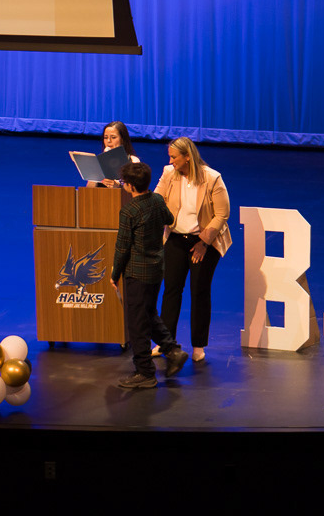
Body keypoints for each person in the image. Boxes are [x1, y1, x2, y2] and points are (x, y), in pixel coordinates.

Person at [110, 161, 188, 388]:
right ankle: (173, 350)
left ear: (131, 186)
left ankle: (145, 372)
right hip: (155, 270)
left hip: (137, 273)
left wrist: (115, 274)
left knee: (137, 323)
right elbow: (169, 219)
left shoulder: (129, 211)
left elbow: (122, 247)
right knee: (149, 313)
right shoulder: (156, 200)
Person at [155, 137, 232, 363]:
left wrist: (204, 242)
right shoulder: (169, 173)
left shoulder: (212, 178)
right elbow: (157, 199)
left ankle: (198, 346)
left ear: (187, 156)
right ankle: (166, 343)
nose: (171, 161)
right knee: (171, 290)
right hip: (176, 239)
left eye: (174, 157)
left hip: (204, 241)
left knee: (199, 291)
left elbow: (222, 214)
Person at [90, 120, 141, 188]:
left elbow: (135, 189)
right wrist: (94, 176)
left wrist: (118, 185)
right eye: (106, 138)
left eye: (113, 137)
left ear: (122, 139)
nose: (108, 141)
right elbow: (88, 190)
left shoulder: (133, 161)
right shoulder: (99, 162)